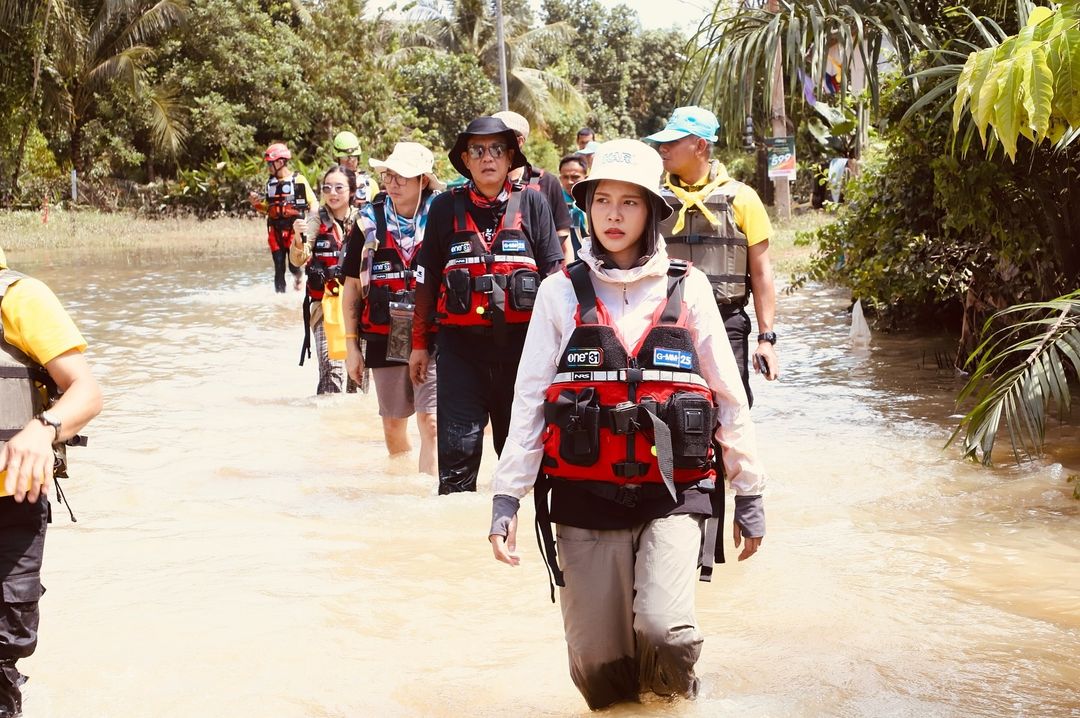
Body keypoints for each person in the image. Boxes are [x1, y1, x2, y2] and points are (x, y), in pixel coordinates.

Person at [487, 140, 766, 709]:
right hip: (584, 494)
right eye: (603, 201)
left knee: (664, 633)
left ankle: (676, 700)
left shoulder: (689, 288)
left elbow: (728, 399)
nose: (614, 216)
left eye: (630, 203)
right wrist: (506, 498)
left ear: (652, 213)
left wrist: (750, 492)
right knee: (598, 669)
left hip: (673, 494)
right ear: (585, 208)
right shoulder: (559, 292)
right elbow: (530, 402)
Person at [408, 116, 564, 495]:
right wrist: (418, 344)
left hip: (523, 352)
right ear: (465, 158)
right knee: (457, 464)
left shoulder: (535, 204)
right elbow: (427, 281)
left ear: (511, 156)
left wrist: (564, 348)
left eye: (497, 149)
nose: (487, 158)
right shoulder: (445, 207)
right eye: (477, 151)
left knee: (523, 464)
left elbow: (556, 277)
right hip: (460, 352)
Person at [0, 247, 102, 718]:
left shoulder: (20, 298)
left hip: (10, 504)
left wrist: (43, 429)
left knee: (3, 649)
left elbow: (87, 391)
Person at [645, 106, 780, 407]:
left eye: (674, 141)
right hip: (667, 322)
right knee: (668, 406)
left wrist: (766, 340)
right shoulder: (652, 200)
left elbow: (761, 274)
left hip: (725, 319)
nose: (662, 148)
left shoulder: (742, 197)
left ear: (700, 145)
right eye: (662, 141)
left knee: (732, 407)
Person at [341, 143, 443, 475]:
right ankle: (400, 483)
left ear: (423, 180)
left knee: (433, 423)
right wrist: (351, 347)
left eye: (402, 176)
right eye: (388, 175)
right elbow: (352, 288)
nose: (392, 182)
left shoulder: (444, 219)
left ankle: (429, 500)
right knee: (393, 427)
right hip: (385, 335)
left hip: (433, 337)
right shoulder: (366, 223)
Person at [291, 166, 358, 394]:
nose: (333, 193)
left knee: (357, 377)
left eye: (339, 187)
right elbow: (300, 257)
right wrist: (298, 240)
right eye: (327, 188)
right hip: (325, 308)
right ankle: (328, 420)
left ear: (351, 191)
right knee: (331, 374)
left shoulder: (363, 220)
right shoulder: (314, 220)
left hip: (357, 309)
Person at [491, 111, 573, 259]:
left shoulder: (547, 182)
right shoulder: (479, 185)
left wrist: (566, 281)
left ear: (519, 141)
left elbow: (564, 245)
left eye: (499, 138)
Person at [248, 143, 318, 293]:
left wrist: (311, 226)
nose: (268, 167)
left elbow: (313, 203)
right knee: (278, 266)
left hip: (294, 230)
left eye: (270, 163)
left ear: (280, 162)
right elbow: (268, 208)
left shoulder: (298, 180)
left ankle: (299, 277)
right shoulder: (270, 183)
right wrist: (256, 204)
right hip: (275, 230)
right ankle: (280, 301)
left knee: (294, 266)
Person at [331, 131, 379, 208]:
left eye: (353, 156)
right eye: (345, 157)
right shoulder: (331, 185)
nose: (350, 161)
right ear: (337, 158)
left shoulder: (370, 184)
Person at [557, 153, 589, 260]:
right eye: (565, 177)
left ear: (586, 177)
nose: (569, 181)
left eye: (575, 177)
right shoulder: (555, 204)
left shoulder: (595, 202)